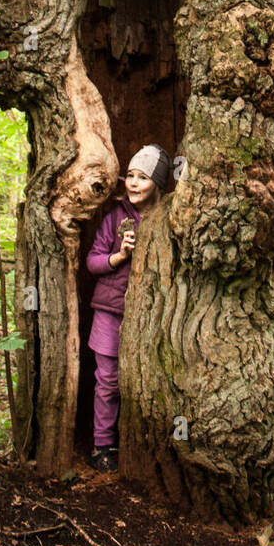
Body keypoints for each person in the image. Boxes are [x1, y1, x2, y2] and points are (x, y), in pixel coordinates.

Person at [85, 143, 171, 472]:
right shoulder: (115, 218)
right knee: (108, 379)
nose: (133, 183)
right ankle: (103, 445)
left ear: (158, 183)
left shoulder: (169, 216)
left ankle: (148, 446)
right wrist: (118, 257)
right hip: (109, 310)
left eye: (143, 177)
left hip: (154, 314)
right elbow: (92, 262)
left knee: (150, 379)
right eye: (130, 176)